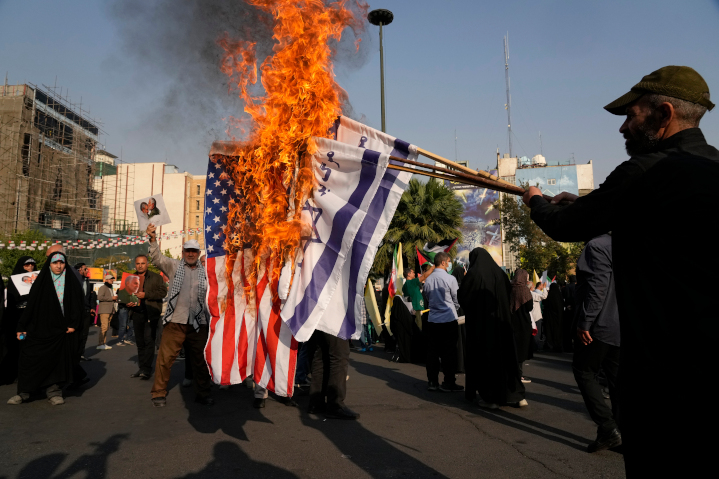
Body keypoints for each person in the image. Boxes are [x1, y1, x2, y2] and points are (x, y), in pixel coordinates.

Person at [522, 66, 717, 475]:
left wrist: (535, 199)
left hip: (661, 370)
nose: (623, 128)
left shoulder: (644, 171)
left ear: (664, 114)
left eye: (632, 115)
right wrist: (579, 201)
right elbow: (656, 225)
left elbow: (565, 227)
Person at [146, 225, 212, 407]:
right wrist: (152, 239)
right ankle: (158, 393)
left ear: (198, 253)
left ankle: (203, 393)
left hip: (199, 323)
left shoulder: (207, 272)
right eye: (187, 251)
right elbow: (157, 258)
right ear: (182, 252)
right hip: (175, 322)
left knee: (201, 361)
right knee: (165, 359)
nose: (190, 254)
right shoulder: (174, 265)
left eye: (194, 251)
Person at [8, 252, 82, 406]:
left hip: (61, 330)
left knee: (57, 362)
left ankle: (54, 392)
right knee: (31, 359)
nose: (58, 266)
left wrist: (73, 324)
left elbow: (77, 305)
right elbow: (32, 306)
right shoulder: (41, 281)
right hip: (40, 328)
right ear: (49, 264)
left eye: (61, 262)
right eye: (55, 263)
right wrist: (21, 326)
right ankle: (25, 392)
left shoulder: (71, 281)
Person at [459, 248, 528, 408]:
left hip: (482, 327)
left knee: (487, 359)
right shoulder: (500, 273)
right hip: (502, 323)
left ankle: (491, 398)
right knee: (507, 358)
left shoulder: (474, 274)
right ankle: (516, 395)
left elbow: (464, 297)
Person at [571, 234, 621, 453]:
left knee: (584, 371)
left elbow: (597, 288)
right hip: (619, 326)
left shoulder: (596, 246)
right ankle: (614, 433)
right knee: (616, 380)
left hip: (600, 325)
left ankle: (608, 427)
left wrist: (586, 321)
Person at [422, 252, 463, 393]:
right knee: (449, 352)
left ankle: (432, 381)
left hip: (433, 319)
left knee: (432, 352)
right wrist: (453, 308)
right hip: (448, 319)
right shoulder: (450, 278)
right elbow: (456, 299)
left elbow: (426, 296)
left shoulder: (428, 280)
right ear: (444, 262)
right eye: (449, 261)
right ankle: (449, 382)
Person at [128, 254, 167, 380]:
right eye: (138, 263)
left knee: (149, 341)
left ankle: (147, 369)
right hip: (136, 313)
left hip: (151, 314)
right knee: (140, 343)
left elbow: (163, 292)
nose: (140, 266)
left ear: (147, 264)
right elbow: (125, 295)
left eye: (142, 263)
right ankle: (142, 368)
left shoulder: (156, 277)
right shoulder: (130, 278)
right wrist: (126, 303)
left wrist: (146, 295)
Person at [306, 328, 360, 419]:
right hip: (334, 318)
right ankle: (335, 405)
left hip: (318, 318)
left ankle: (316, 402)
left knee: (321, 355)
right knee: (339, 356)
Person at [1, 257, 37, 385]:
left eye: (32, 265)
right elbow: (11, 301)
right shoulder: (13, 280)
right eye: (27, 265)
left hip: (34, 319)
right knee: (18, 345)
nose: (30, 267)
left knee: (32, 346)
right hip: (18, 318)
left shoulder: (39, 280)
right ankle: (15, 372)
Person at [73, 263, 97, 360]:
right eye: (85, 269)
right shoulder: (74, 281)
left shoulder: (87, 281)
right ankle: (74, 354)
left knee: (85, 333)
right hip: (76, 311)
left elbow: (91, 297)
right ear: (80, 270)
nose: (87, 271)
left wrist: (92, 307)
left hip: (86, 310)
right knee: (76, 333)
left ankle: (81, 354)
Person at [96, 274, 117, 350]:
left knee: (107, 327)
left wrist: (114, 299)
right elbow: (99, 297)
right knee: (104, 327)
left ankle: (103, 343)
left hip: (110, 310)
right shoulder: (103, 287)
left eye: (112, 279)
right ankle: (100, 343)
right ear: (107, 280)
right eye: (111, 279)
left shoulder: (110, 288)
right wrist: (111, 298)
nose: (112, 280)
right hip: (104, 310)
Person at [543, 282, 565, 353]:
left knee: (551, 331)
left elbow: (545, 303)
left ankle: (551, 345)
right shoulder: (559, 296)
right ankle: (558, 345)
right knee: (558, 332)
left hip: (551, 318)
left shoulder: (551, 295)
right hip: (559, 318)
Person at [561, 276, 577, 352]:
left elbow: (565, 297)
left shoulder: (566, 287)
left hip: (568, 310)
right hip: (576, 310)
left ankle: (568, 346)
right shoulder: (577, 287)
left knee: (568, 329)